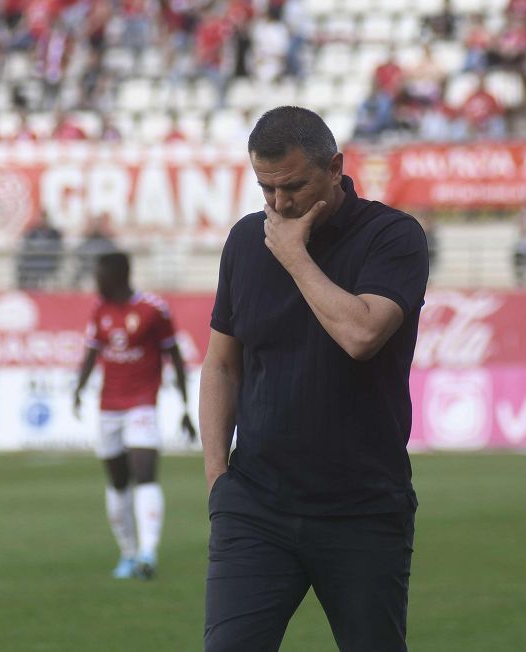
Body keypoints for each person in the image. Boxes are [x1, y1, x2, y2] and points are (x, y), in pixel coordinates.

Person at [200, 106, 428, 651]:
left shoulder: (392, 237)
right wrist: (217, 481)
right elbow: (222, 363)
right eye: (266, 189)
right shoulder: (245, 241)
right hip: (255, 506)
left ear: (336, 168)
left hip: (363, 509)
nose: (280, 204)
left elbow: (362, 335)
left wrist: (295, 257)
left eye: (295, 187)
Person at [72, 252, 196, 580]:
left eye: (99, 276)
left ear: (118, 276)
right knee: (117, 483)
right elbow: (91, 352)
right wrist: (78, 388)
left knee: (145, 474)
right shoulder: (99, 310)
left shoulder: (153, 309)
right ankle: (127, 553)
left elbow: (175, 357)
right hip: (108, 407)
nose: (95, 282)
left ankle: (148, 553)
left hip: (142, 403)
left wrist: (185, 407)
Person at [16, 211, 63, 289]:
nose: (41, 221)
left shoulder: (53, 233)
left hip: (48, 260)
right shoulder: (33, 232)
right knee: (23, 264)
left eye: (42, 218)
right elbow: (27, 244)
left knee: (39, 266)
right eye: (39, 218)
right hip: (34, 258)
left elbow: (57, 247)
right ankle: (24, 287)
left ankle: (37, 287)